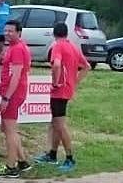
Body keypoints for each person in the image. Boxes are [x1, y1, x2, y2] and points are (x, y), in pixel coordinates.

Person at [33, 22, 91, 172]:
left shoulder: (57, 46)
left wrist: (55, 82)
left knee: (59, 124)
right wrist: (75, 81)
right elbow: (87, 66)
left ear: (54, 33)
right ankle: (52, 154)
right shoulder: (72, 46)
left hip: (60, 91)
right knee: (54, 123)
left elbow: (57, 65)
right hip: (67, 89)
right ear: (66, 33)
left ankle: (70, 157)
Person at [0, 19, 33, 178]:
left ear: (19, 32)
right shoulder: (14, 47)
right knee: (6, 128)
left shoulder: (17, 49)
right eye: (6, 30)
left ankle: (11, 166)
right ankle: (22, 161)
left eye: (11, 31)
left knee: (10, 130)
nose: (7, 33)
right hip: (13, 92)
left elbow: (16, 75)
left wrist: (6, 97)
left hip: (13, 93)